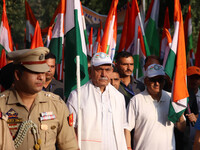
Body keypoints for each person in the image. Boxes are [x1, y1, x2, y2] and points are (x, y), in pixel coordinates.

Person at [0, 47, 78, 150]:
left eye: (43, 72)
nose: (41, 77)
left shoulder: (56, 104)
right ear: (18, 74)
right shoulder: (1, 105)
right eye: (35, 72)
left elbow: (69, 147)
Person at [67, 52, 128, 150]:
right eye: (99, 69)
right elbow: (70, 128)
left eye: (107, 70)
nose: (104, 74)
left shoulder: (119, 97)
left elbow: (123, 127)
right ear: (90, 71)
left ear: (112, 71)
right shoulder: (77, 95)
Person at [125, 64, 186, 150]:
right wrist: (128, 148)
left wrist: (180, 113)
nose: (157, 83)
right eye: (153, 80)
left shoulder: (171, 99)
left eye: (160, 80)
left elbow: (182, 128)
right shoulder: (136, 100)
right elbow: (127, 128)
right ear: (146, 81)